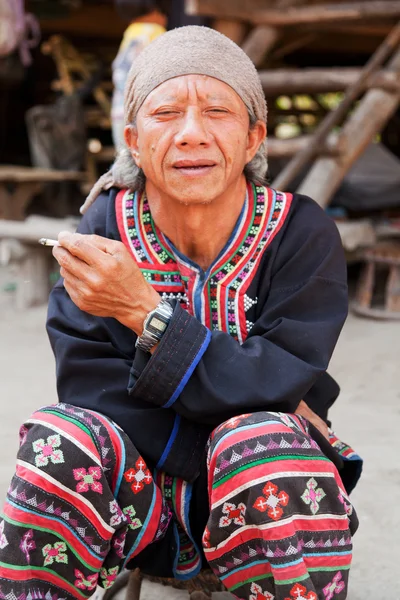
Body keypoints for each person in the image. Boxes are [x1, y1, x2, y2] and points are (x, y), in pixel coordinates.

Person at [0, 26, 361, 600]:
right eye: (166, 113)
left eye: (217, 111)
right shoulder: (103, 232)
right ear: (134, 141)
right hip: (135, 503)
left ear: (253, 138)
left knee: (262, 446)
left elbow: (285, 374)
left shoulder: (300, 231)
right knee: (58, 438)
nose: (191, 134)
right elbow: (89, 384)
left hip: (260, 495)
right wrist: (228, 416)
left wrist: (146, 313)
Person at [111, 0, 169, 149]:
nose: (165, 19)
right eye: (162, 13)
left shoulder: (131, 32)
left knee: (125, 160)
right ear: (153, 10)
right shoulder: (155, 32)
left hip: (121, 110)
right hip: (144, 112)